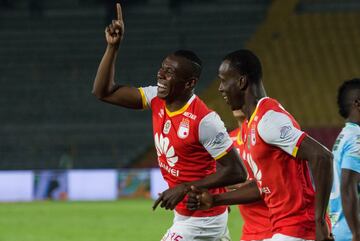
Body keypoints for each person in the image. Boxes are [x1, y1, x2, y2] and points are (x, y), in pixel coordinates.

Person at [92, 3, 247, 240]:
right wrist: (113, 48)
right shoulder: (155, 97)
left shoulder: (204, 120)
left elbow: (237, 172)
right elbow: (103, 92)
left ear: (189, 83)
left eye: (170, 72)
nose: (161, 75)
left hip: (204, 218)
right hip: (186, 215)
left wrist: (185, 187)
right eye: (162, 69)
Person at [187, 49, 334, 241]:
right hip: (285, 228)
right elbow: (263, 186)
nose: (220, 88)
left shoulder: (268, 119)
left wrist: (319, 221)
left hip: (299, 229)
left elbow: (322, 156)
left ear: (241, 81)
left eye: (224, 80)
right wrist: (215, 200)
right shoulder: (253, 124)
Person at [228, 109, 272, 241]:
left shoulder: (268, 136)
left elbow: (269, 184)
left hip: (278, 231)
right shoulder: (229, 141)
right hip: (250, 233)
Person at [329, 79, 360, 241]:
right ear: (358, 103)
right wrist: (356, 233)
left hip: (339, 228)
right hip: (350, 232)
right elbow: (348, 187)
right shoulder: (356, 138)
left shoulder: (345, 136)